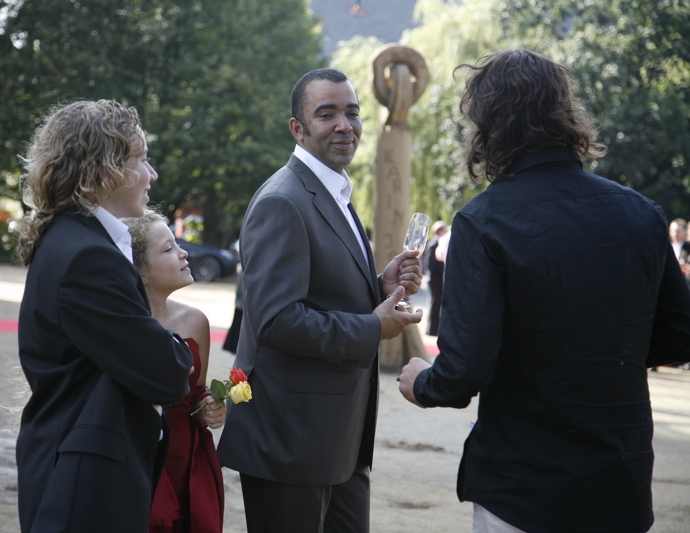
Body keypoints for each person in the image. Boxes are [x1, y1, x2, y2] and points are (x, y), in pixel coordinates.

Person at [398, 49, 690, 533]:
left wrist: (422, 383)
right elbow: (680, 336)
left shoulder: (485, 221)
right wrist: (604, 351)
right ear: (567, 113)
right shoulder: (641, 212)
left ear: (487, 125)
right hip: (619, 478)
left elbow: (464, 369)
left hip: (523, 485)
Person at [217, 68, 424, 532]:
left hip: (338, 440)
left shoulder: (334, 190)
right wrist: (375, 327)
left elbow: (321, 290)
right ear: (298, 128)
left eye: (352, 113)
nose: (344, 125)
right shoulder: (282, 200)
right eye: (327, 114)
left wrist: (379, 286)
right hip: (291, 442)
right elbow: (276, 320)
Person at [15, 100, 194, 533]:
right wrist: (173, 344)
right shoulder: (88, 256)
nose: (152, 174)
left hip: (77, 470)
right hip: (84, 486)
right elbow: (168, 374)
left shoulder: (71, 238)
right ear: (105, 169)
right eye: (142, 159)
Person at [123, 208, 226, 533]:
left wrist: (208, 407)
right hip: (136, 458)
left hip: (185, 459)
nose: (183, 253)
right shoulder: (120, 328)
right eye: (168, 249)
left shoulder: (195, 321)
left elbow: (196, 391)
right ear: (139, 271)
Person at [421, 220, 448, 336]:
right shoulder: (434, 244)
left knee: (436, 304)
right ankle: (432, 329)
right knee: (435, 304)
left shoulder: (437, 243)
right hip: (435, 280)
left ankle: (434, 328)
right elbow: (430, 264)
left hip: (437, 279)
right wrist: (436, 279)